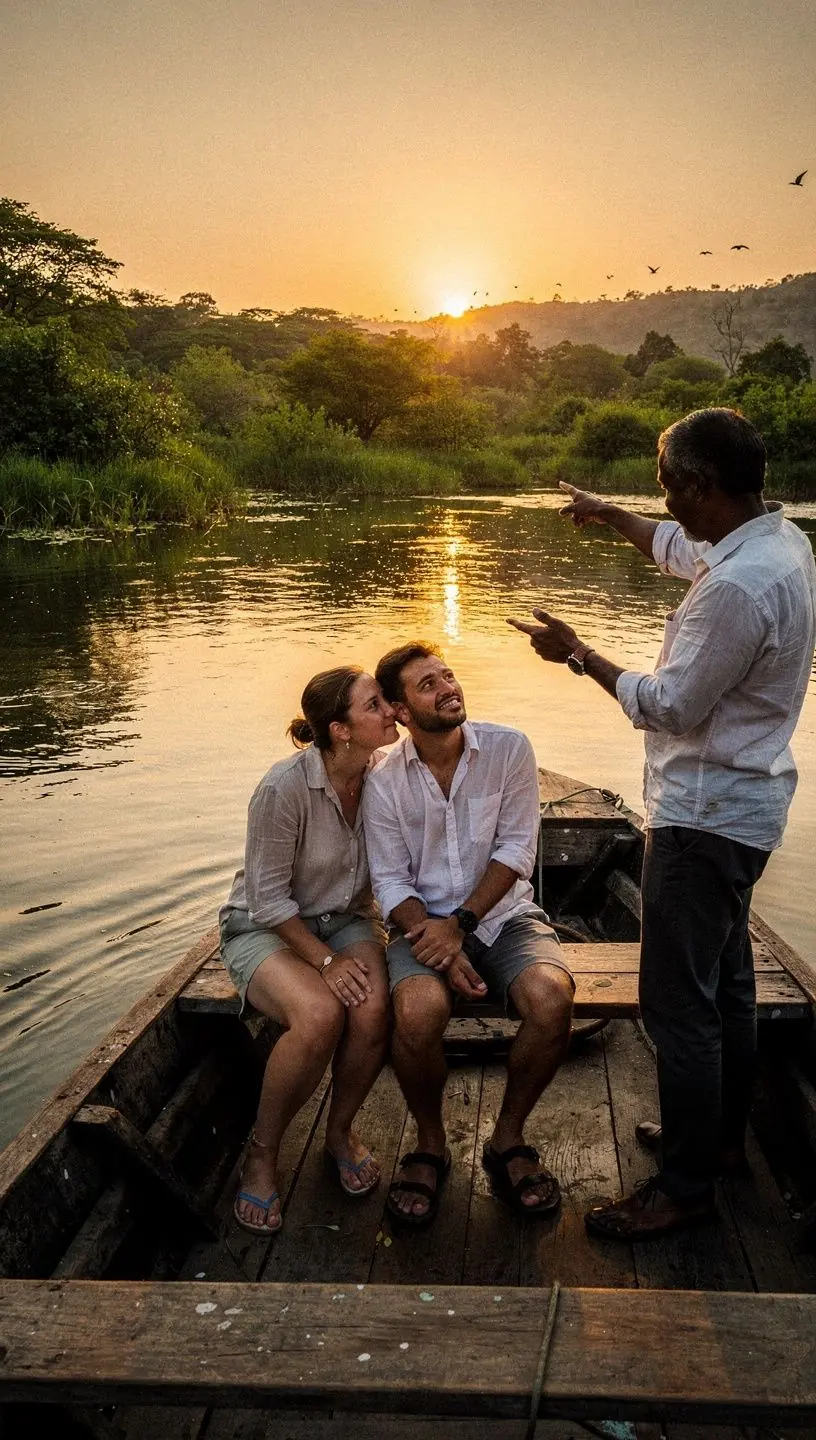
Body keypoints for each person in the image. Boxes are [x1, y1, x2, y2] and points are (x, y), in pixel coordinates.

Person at [509, 407, 816, 1241]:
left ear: (701, 485)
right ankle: (718, 1143)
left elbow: (670, 705)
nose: (664, 503)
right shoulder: (777, 542)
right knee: (731, 988)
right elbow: (680, 547)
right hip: (748, 812)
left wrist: (580, 655)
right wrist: (612, 516)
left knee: (677, 1007)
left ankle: (684, 1187)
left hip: (703, 821)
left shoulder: (737, 590)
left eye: (666, 487)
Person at [361, 642, 575, 1228]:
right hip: (419, 927)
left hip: (504, 917)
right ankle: (431, 1144)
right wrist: (438, 940)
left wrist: (461, 927)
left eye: (448, 676)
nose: (448, 688)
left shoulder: (509, 749)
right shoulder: (383, 779)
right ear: (401, 711)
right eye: (427, 685)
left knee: (552, 999)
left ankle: (507, 1139)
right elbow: (390, 880)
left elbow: (517, 851)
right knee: (417, 1011)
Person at [219, 666, 397, 1235]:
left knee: (372, 1009)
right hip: (266, 927)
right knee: (320, 1015)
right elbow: (267, 900)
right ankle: (263, 1153)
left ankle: (339, 1132)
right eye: (375, 704)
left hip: (347, 918)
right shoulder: (283, 788)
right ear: (340, 730)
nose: (390, 709)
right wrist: (325, 961)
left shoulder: (384, 775)